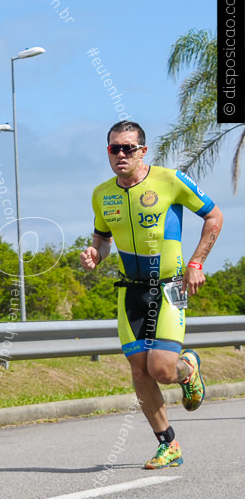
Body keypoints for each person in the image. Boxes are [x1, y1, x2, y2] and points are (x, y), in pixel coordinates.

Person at [80, 121, 223, 470]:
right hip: (131, 291)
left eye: (129, 148)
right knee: (139, 369)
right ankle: (168, 444)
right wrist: (95, 253)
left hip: (171, 285)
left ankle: (187, 370)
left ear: (143, 151)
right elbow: (103, 238)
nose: (122, 154)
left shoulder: (170, 180)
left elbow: (214, 216)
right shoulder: (102, 194)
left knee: (160, 368)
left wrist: (196, 262)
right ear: (108, 152)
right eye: (115, 148)